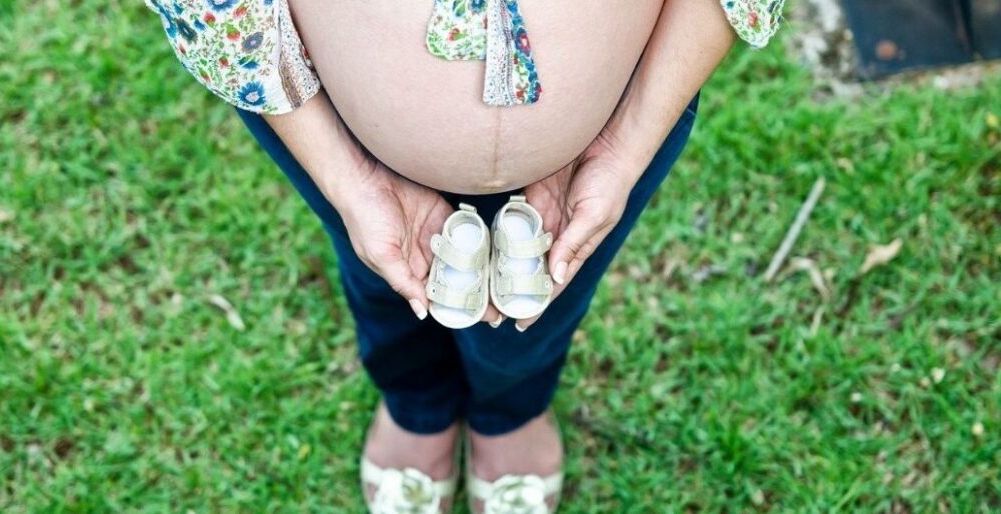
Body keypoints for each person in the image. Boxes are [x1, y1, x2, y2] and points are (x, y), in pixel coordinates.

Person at [145, 0, 783, 511]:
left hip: (624, 107)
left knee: (549, 297)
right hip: (322, 104)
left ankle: (511, 416)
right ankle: (414, 403)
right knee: (382, 276)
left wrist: (626, 143)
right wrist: (347, 176)